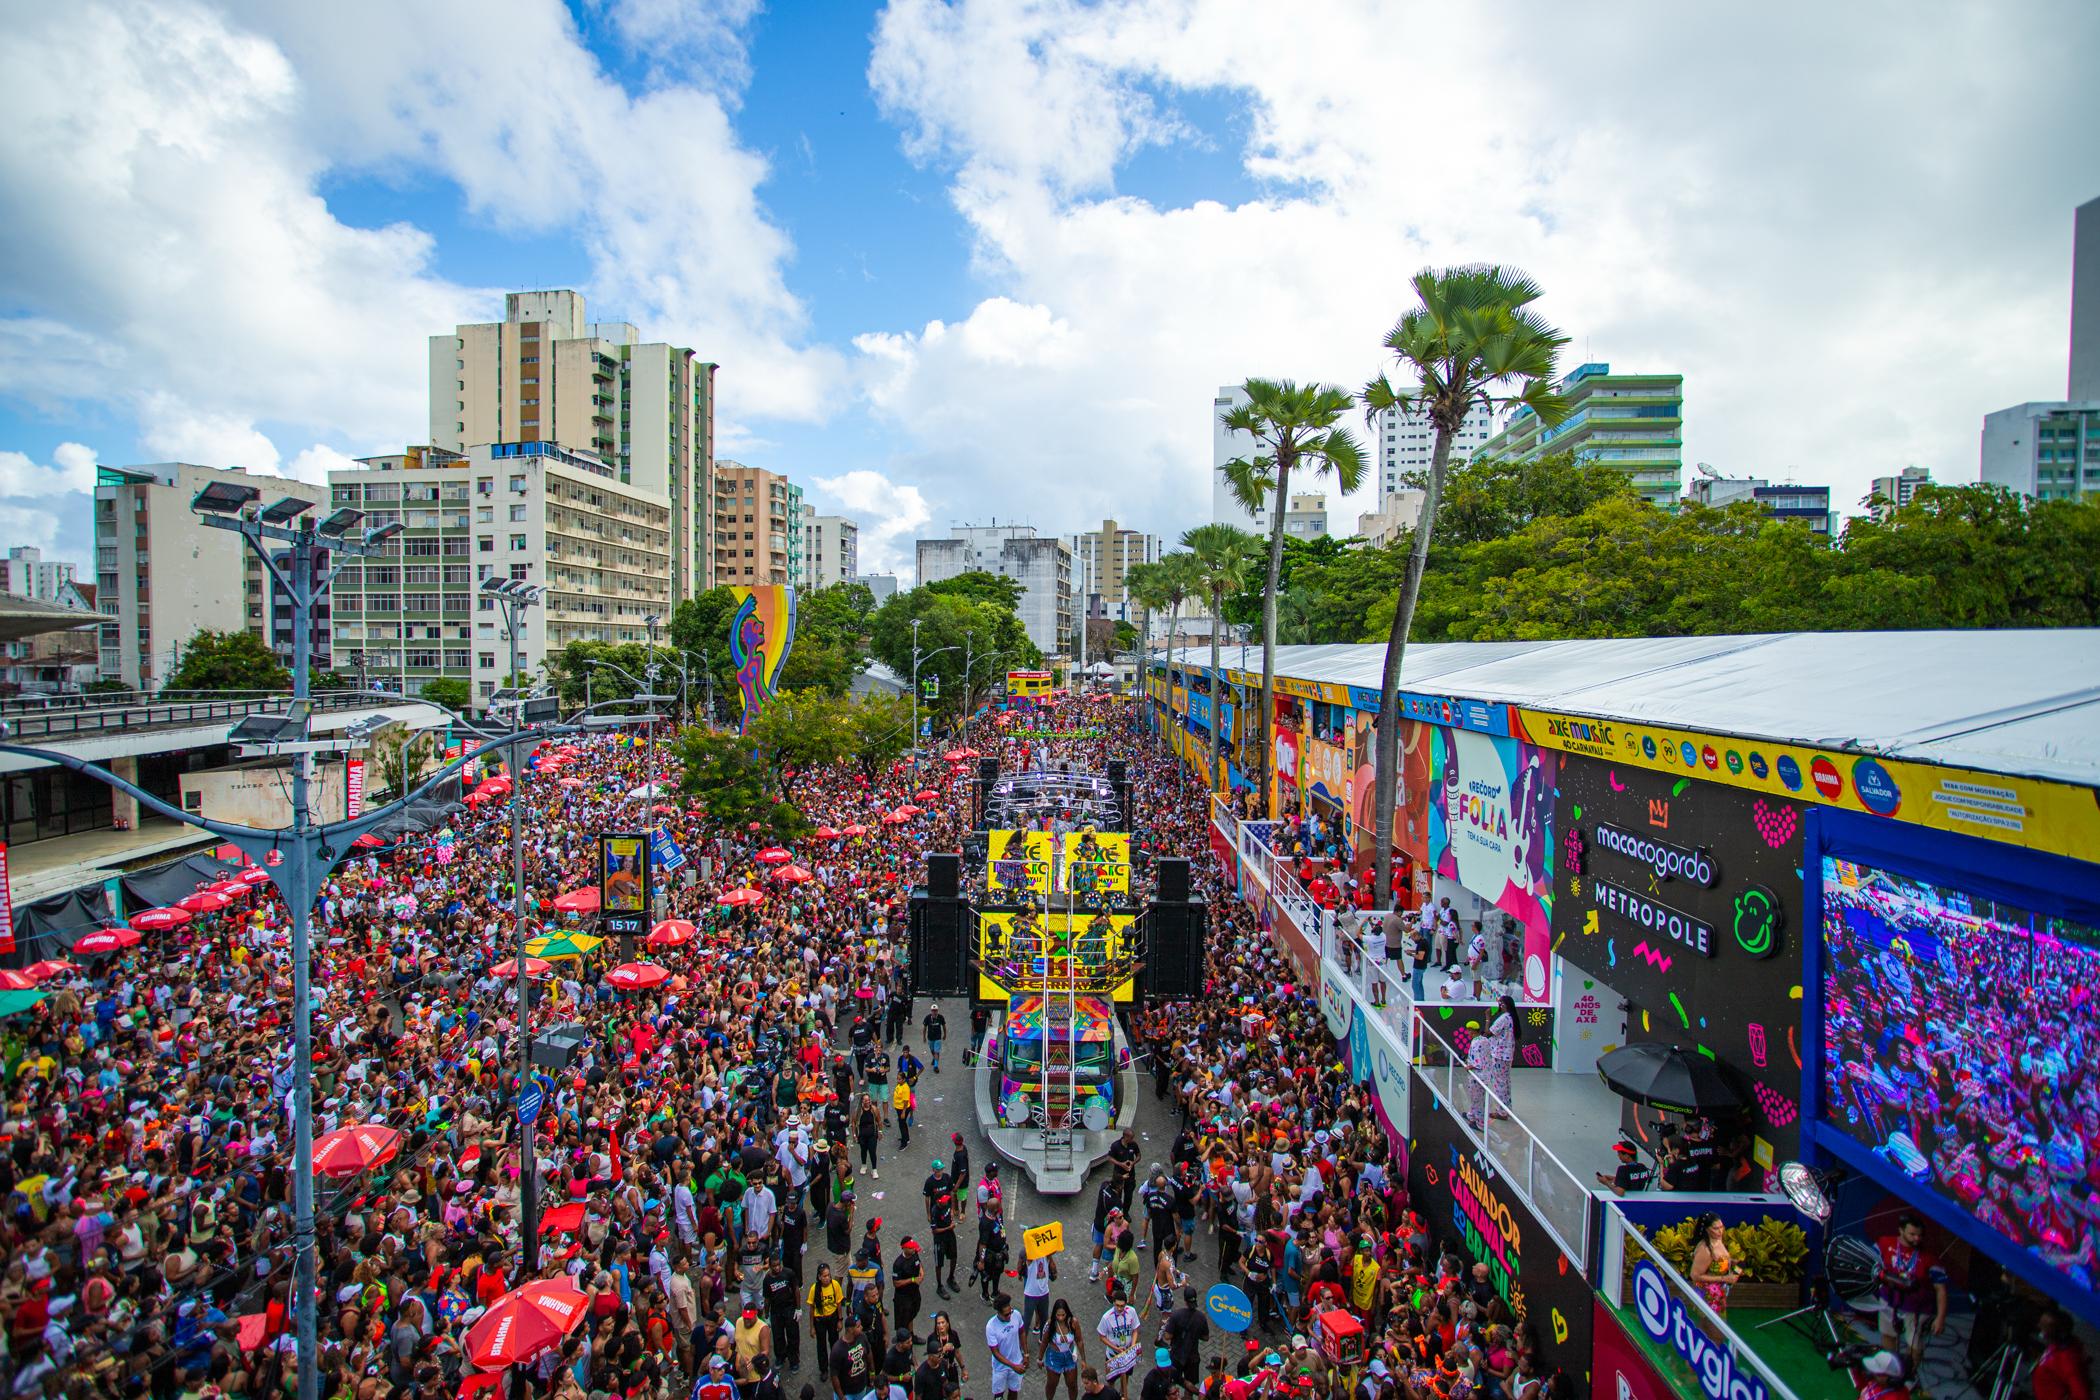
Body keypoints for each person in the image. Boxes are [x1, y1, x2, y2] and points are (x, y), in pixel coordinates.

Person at [1873, 1214, 1948, 1377]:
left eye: (1920, 1235)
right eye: (1912, 1234)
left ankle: (1909, 1376)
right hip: (1888, 1301)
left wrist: (1940, 1318)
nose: (1917, 1239)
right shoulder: (1884, 1243)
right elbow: (1871, 1263)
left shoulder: (1929, 1257)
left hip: (1916, 1309)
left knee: (1914, 1345)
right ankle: (1889, 1372)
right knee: (1888, 1336)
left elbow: (1940, 1289)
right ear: (1901, 1231)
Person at [1463, 994, 1520, 1128]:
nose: (1498, 1005)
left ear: (1503, 1005)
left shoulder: (1503, 1018)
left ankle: (1502, 1111)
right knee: (1505, 1082)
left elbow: (1488, 1032)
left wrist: (1487, 1018)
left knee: (1499, 1083)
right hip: (1507, 1054)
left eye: (1499, 1003)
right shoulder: (1512, 1017)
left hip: (1499, 1055)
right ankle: (1506, 1108)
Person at [2033, 1308, 2093, 1400]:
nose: (2039, 1326)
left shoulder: (2067, 1359)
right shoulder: (2056, 1346)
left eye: (2044, 1326)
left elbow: (2082, 1395)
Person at [1098, 1283, 1143, 1398]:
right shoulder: (1106, 1317)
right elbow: (1101, 1336)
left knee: (1126, 1377)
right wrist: (1115, 1348)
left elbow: (1135, 1330)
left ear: (1126, 1304)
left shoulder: (1131, 1312)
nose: (1119, 1308)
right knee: (1111, 1381)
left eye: (1122, 1306)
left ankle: (1123, 1395)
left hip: (1127, 1353)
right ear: (1113, 1303)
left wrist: (1132, 1346)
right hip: (1113, 1355)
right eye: (1117, 1305)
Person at [1689, 1213, 1737, 1316]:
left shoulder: (1718, 1240)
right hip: (1708, 1297)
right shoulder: (1705, 1250)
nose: (1720, 1231)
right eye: (1716, 1228)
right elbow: (1695, 1275)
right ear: (1707, 1229)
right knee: (1709, 1328)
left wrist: (1730, 1261)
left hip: (1719, 1294)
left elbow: (1717, 1261)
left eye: (1721, 1227)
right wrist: (1724, 1278)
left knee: (1717, 1329)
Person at [988, 1291, 1032, 1399]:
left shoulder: (1016, 1315)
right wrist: (1013, 1366)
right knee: (998, 1395)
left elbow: (1022, 1332)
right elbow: (995, 1353)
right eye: (1006, 1314)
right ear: (998, 1313)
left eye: (1010, 1312)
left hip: (1017, 1361)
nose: (1009, 1316)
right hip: (1000, 1367)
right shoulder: (991, 1326)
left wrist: (1026, 1354)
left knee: (1014, 1391)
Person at [808, 1263, 846, 1381]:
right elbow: (812, 1309)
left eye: (828, 1275)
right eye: (824, 1276)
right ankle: (823, 1369)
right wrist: (812, 1327)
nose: (827, 1278)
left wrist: (840, 1320)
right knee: (821, 1345)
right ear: (819, 1277)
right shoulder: (814, 1289)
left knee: (834, 1343)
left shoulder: (835, 1285)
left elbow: (839, 1304)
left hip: (832, 1318)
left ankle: (835, 1366)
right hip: (820, 1320)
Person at [829, 1314, 875, 1400]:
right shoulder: (837, 1350)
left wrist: (872, 1372)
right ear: (850, 1330)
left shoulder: (862, 1337)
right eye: (858, 1326)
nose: (861, 1327)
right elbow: (834, 1376)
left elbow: (869, 1353)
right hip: (846, 1393)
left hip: (861, 1389)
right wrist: (841, 1397)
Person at [923, 1003, 947, 1073]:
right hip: (930, 1037)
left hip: (938, 1037)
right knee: (932, 1050)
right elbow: (924, 1028)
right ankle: (934, 1058)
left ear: (937, 1011)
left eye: (935, 1010)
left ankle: (936, 1066)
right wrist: (924, 1037)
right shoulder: (927, 1018)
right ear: (931, 1011)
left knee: (936, 1051)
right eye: (933, 1011)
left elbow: (944, 1026)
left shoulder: (940, 1017)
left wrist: (945, 1034)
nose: (934, 1012)